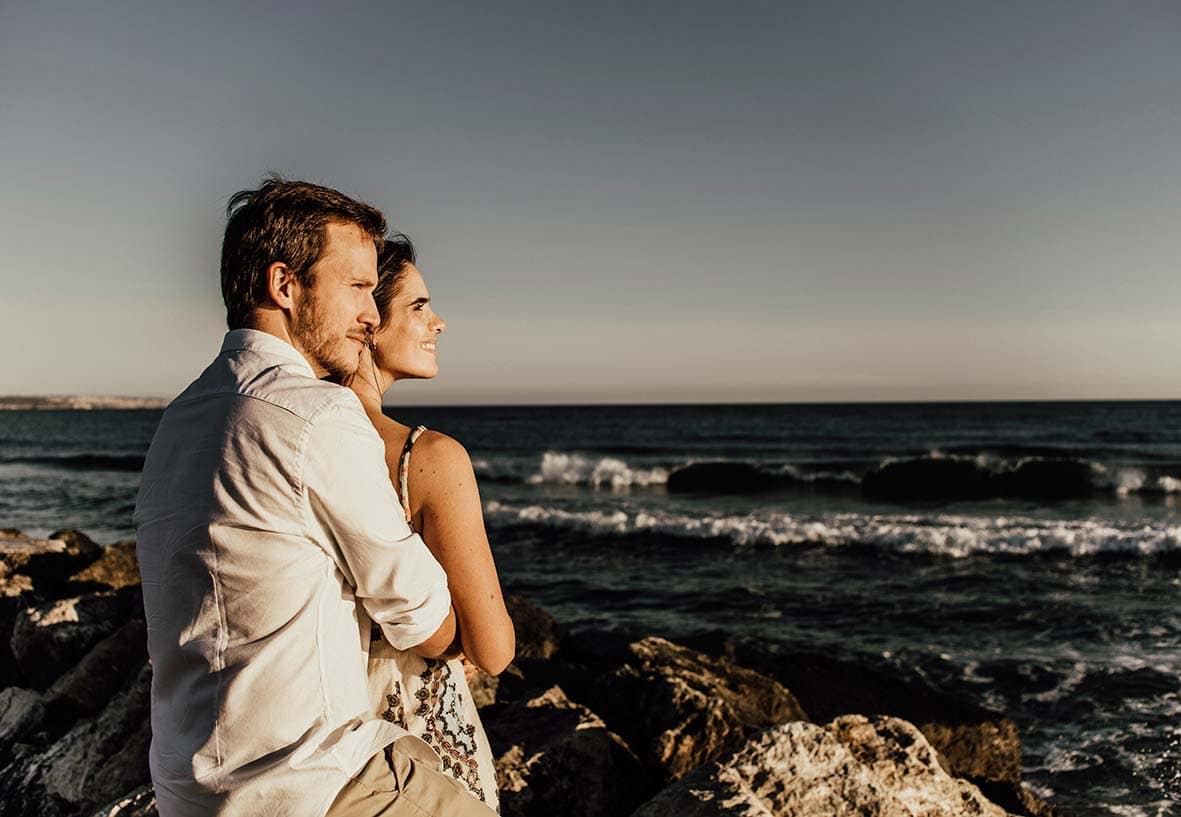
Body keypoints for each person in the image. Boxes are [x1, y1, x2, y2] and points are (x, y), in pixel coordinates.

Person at [134, 177, 498, 817]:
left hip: (188, 788)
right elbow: (421, 613)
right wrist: (450, 634)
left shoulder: (180, 420)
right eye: (357, 287)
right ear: (285, 286)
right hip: (314, 784)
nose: (370, 313)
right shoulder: (315, 415)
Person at [343, 235, 514, 810]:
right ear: (367, 320)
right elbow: (493, 650)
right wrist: (460, 639)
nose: (438, 322)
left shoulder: (289, 436)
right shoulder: (429, 457)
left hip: (322, 733)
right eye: (418, 306)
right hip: (413, 750)